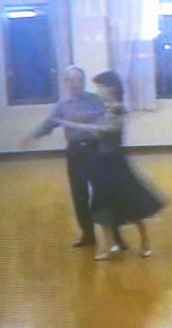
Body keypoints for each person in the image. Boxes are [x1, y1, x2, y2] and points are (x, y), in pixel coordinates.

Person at [55, 71, 164, 261]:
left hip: (116, 164)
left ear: (111, 88)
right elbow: (98, 130)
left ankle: (145, 242)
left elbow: (103, 129)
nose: (98, 91)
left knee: (131, 204)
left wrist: (74, 124)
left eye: (100, 87)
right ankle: (110, 246)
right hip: (102, 162)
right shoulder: (106, 108)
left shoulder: (118, 109)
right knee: (102, 205)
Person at [21, 66, 127, 249]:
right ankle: (88, 235)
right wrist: (32, 136)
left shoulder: (96, 100)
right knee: (79, 195)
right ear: (66, 82)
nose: (76, 84)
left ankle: (116, 237)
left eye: (79, 80)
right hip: (75, 153)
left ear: (83, 81)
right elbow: (48, 124)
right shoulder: (62, 105)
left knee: (104, 194)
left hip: (96, 151)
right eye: (71, 80)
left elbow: (113, 118)